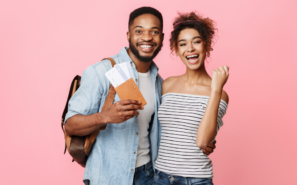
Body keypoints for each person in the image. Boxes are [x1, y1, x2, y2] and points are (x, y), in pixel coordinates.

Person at [64, 7, 216, 185]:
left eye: (154, 32)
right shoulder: (101, 71)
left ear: (161, 38)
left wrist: (202, 143)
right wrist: (106, 116)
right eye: (139, 31)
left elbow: (171, 128)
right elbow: (70, 126)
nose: (147, 37)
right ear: (128, 35)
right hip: (109, 177)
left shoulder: (160, 83)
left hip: (151, 176)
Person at [152, 12, 229, 185]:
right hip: (160, 177)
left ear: (206, 45)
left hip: (195, 180)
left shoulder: (219, 93)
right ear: (176, 49)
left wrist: (216, 89)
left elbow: (203, 141)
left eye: (196, 41)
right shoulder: (167, 85)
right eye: (183, 44)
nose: (190, 49)